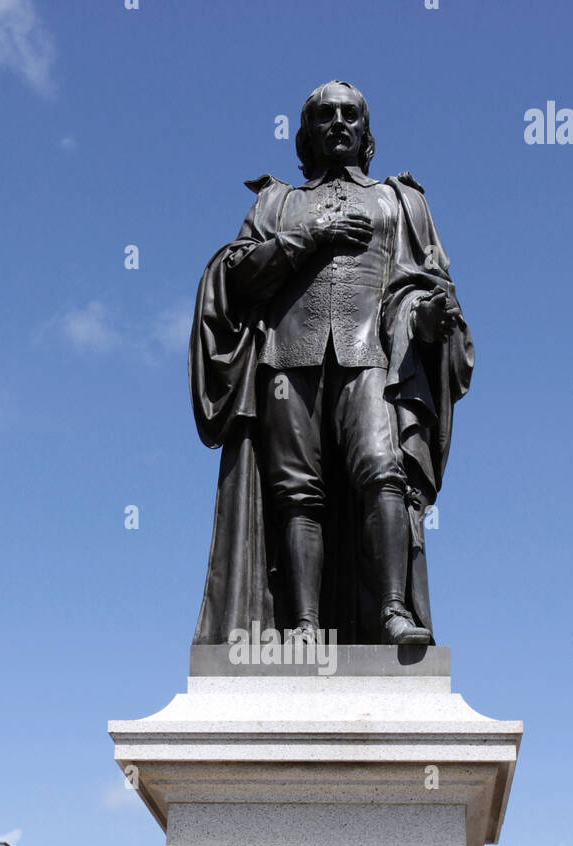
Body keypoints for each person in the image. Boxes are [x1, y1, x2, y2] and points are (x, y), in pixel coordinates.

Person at [190, 81, 474, 647]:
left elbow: (423, 281)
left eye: (349, 114)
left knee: (382, 469)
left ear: (366, 133)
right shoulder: (276, 203)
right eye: (324, 115)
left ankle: (393, 613)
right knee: (297, 491)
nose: (337, 122)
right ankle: (302, 626)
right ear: (307, 134)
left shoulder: (401, 201)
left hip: (370, 356)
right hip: (287, 361)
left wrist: (426, 318)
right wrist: (307, 236)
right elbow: (237, 276)